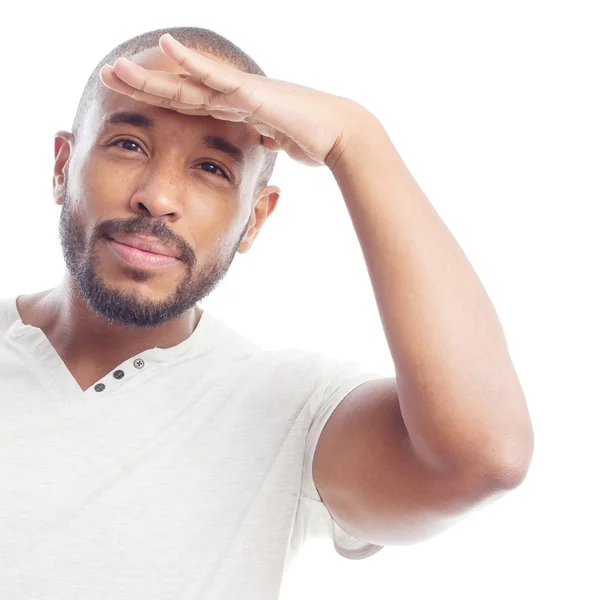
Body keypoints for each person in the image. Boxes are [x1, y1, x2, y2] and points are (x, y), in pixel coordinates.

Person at [0, 26, 534, 600]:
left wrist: (356, 140)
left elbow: (482, 460)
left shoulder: (292, 411)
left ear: (255, 220)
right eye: (129, 144)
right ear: (62, 165)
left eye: (212, 168)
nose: (158, 197)